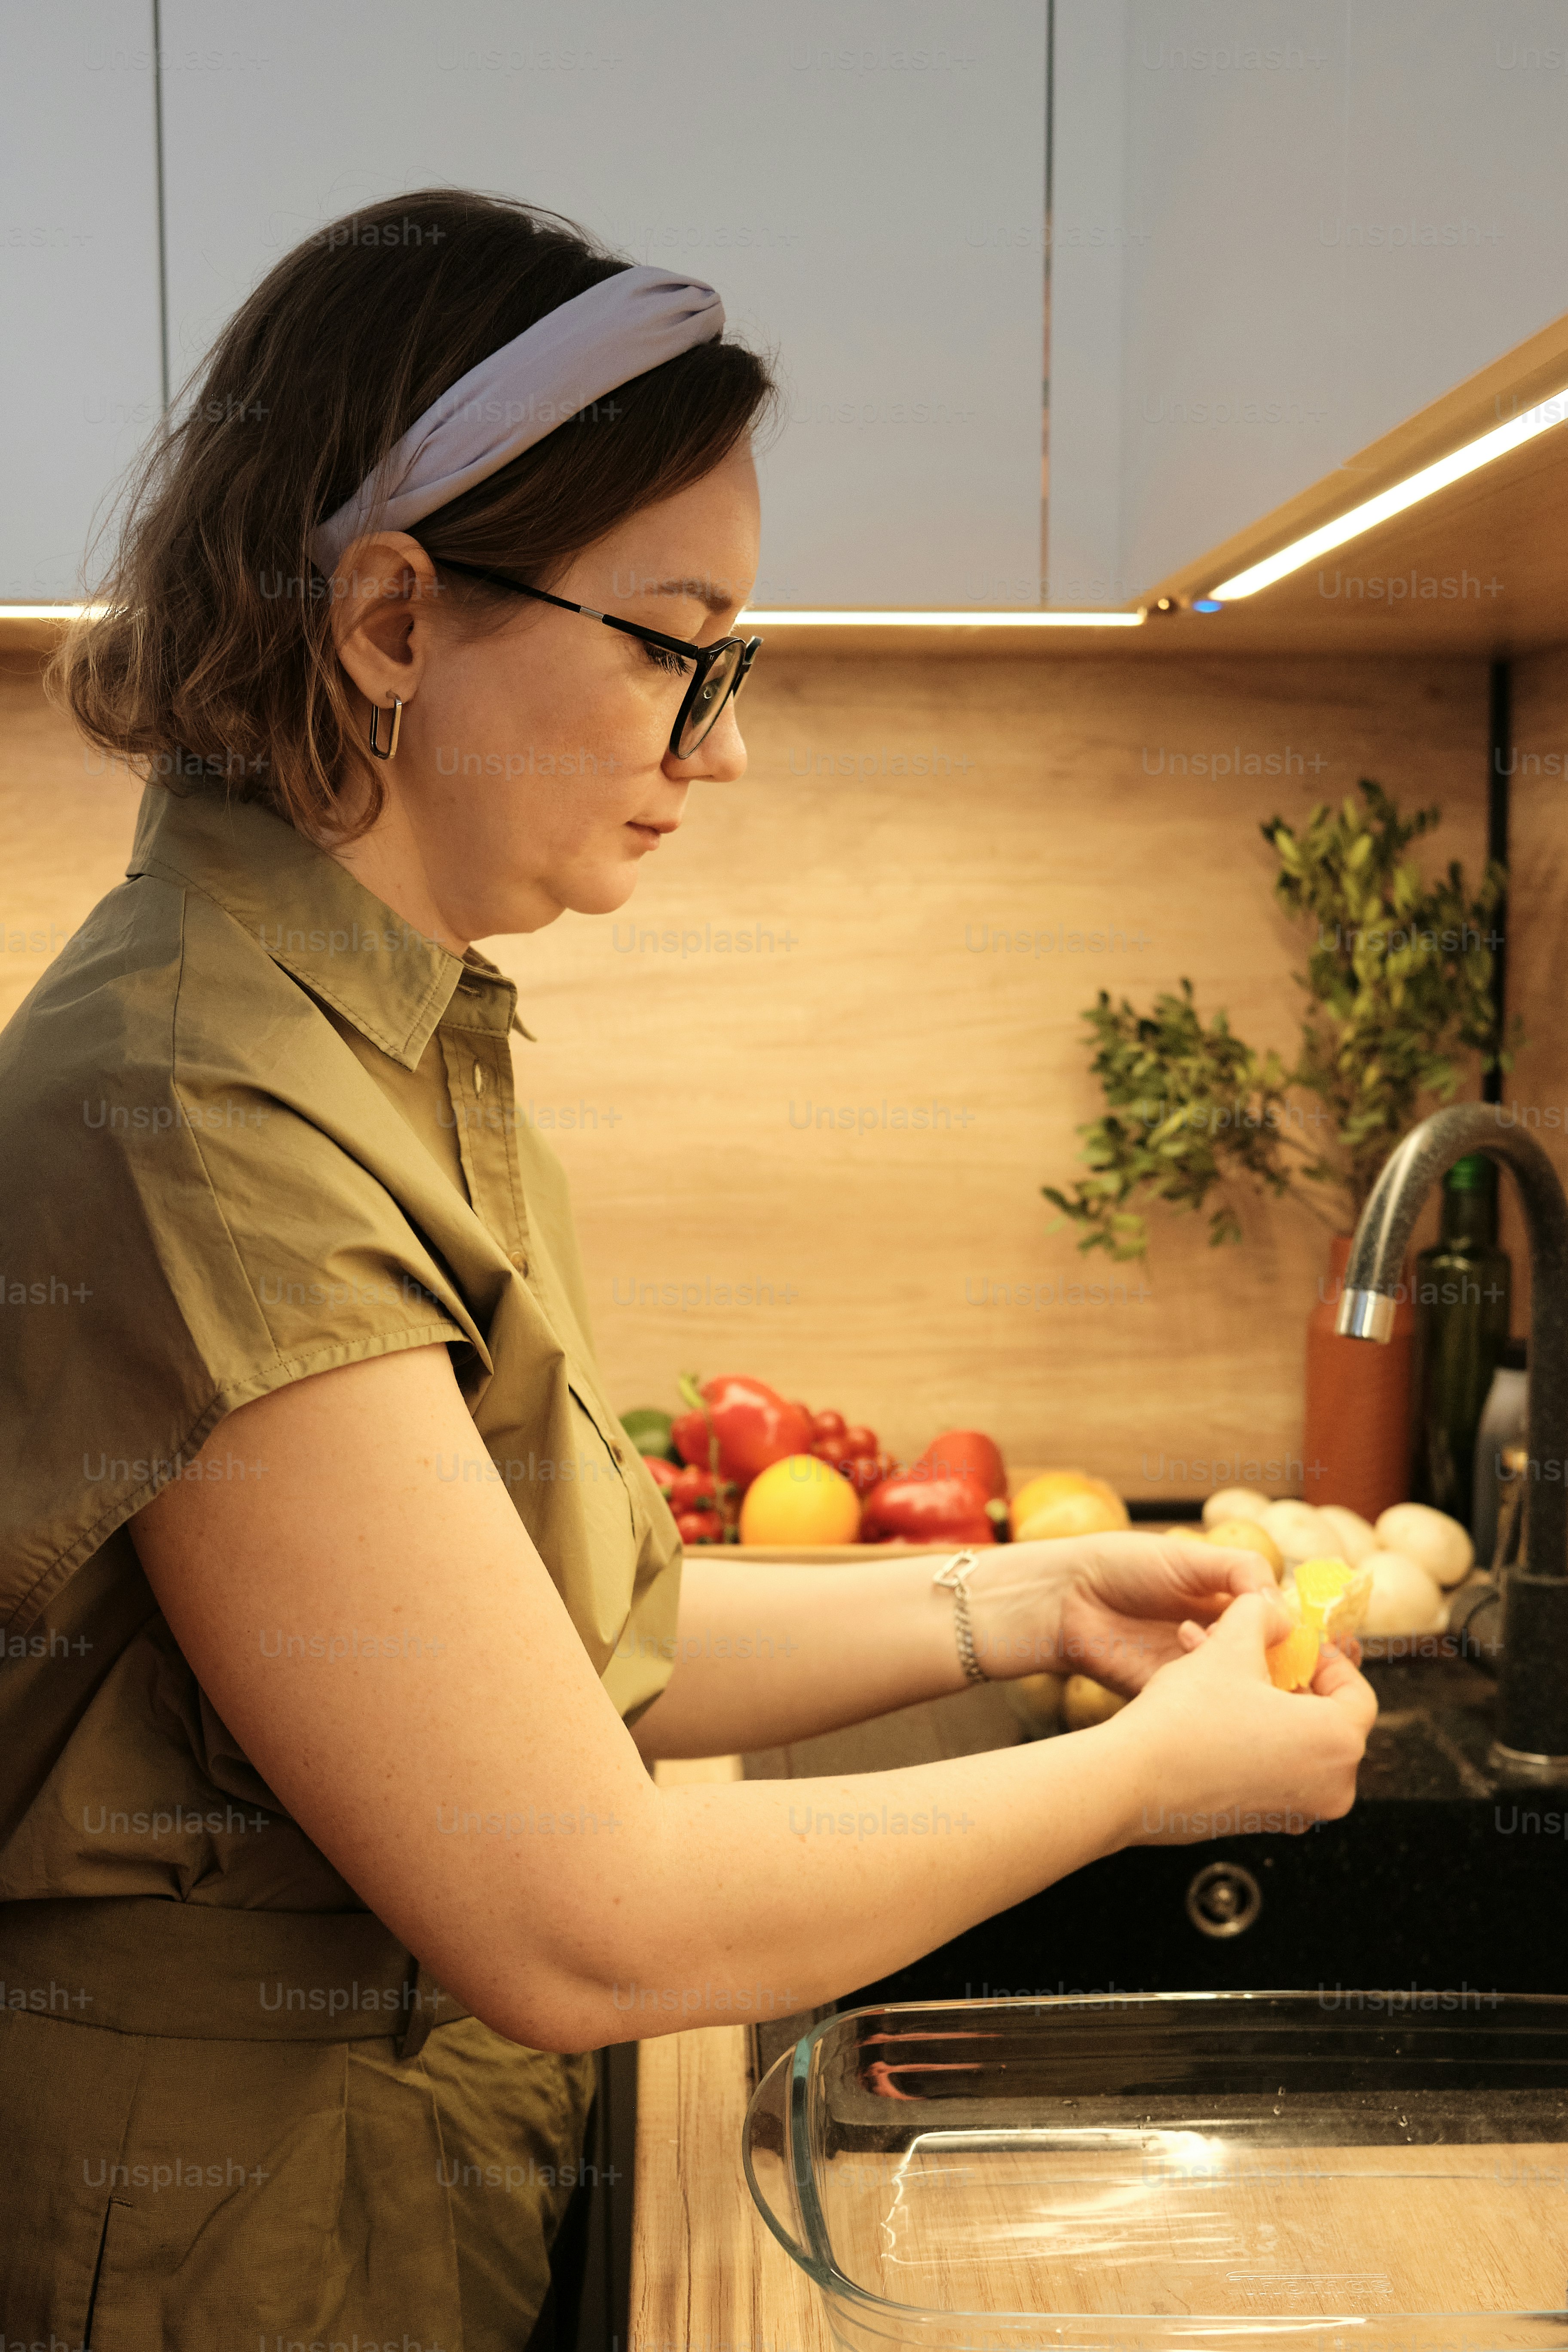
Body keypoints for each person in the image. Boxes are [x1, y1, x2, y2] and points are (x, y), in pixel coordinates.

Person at [0, 187, 1375, 2349]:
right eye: (677, 641)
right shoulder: (199, 1107)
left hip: (383, 2167)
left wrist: (1006, 1602)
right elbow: (581, 1916)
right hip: (222, 2248)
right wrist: (1148, 1782)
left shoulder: (378, 1026)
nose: (719, 743)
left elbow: (568, 1649)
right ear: (385, 621)